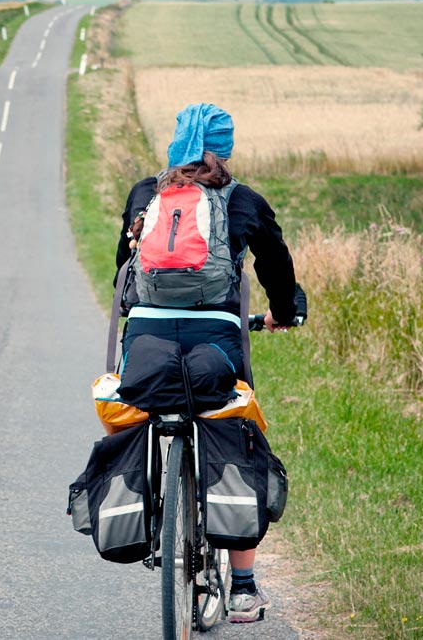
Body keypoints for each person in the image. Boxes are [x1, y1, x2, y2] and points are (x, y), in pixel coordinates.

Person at [114, 103, 302, 624]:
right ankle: (242, 589)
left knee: (148, 408)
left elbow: (123, 274)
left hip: (146, 342)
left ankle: (152, 511)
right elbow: (276, 266)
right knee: (234, 427)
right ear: (227, 147)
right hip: (215, 341)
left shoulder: (144, 195)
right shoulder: (243, 201)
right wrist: (284, 314)